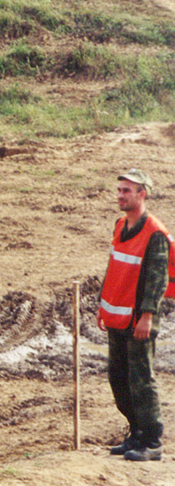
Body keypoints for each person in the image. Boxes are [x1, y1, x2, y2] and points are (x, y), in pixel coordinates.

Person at [99, 169, 170, 462]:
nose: (120, 195)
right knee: (119, 378)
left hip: (140, 320)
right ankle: (136, 433)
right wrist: (103, 306)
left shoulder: (155, 234)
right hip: (118, 315)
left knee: (141, 379)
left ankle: (152, 440)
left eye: (127, 190)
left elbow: (158, 280)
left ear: (143, 194)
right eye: (119, 190)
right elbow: (115, 267)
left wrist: (147, 316)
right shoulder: (120, 225)